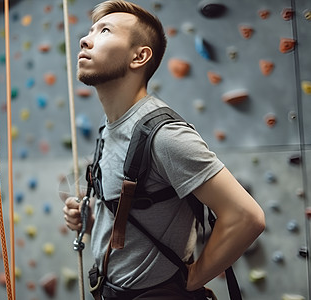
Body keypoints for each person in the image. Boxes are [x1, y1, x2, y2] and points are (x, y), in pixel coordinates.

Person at [63, 1, 265, 299]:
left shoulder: (164, 135)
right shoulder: (109, 129)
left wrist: (194, 278)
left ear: (139, 56)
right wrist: (93, 223)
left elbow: (246, 217)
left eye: (105, 30)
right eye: (90, 30)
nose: (85, 38)